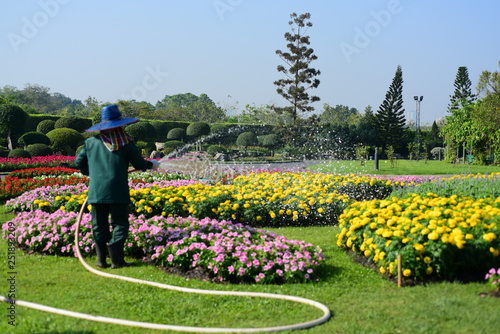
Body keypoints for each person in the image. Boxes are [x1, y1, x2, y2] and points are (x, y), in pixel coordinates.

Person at [75, 104, 160, 269]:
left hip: (96, 191)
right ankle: (117, 260)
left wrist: (92, 174)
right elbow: (139, 163)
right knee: (120, 223)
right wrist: (152, 165)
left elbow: (79, 162)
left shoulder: (91, 142)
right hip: (117, 190)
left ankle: (101, 260)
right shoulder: (126, 143)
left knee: (98, 225)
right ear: (119, 124)